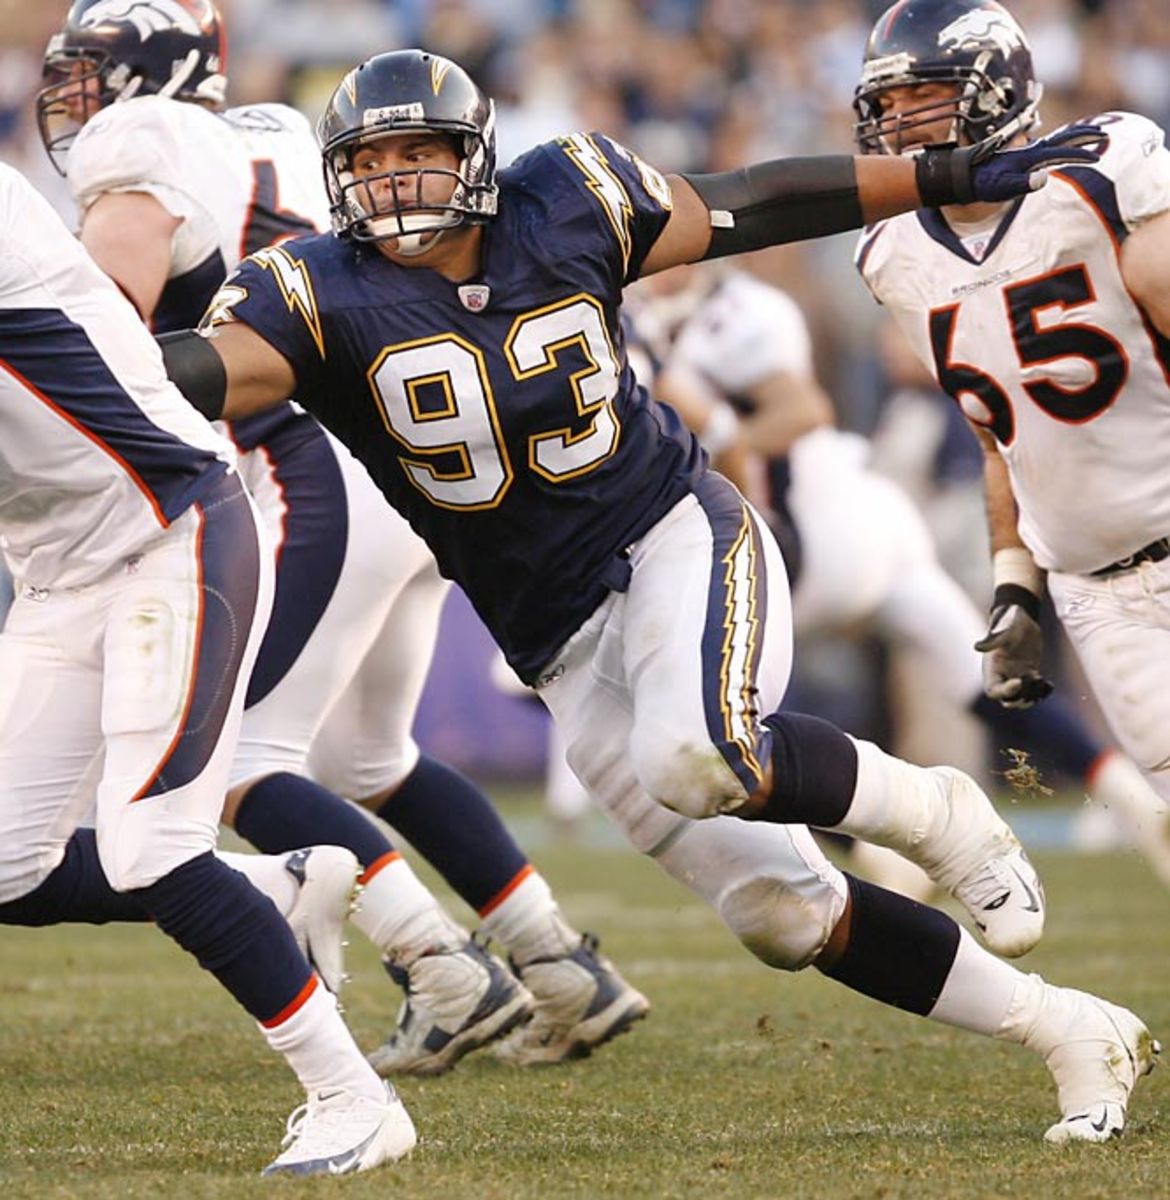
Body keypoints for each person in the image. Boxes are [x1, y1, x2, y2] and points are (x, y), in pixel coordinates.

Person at [160, 47, 1158, 1142]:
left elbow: (750, 204)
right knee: (783, 915)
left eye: (421, 154)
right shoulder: (311, 289)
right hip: (551, 631)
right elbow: (198, 375)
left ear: (477, 157)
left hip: (671, 530)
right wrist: (56, 353)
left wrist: (943, 176)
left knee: (699, 756)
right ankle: (1069, 1028)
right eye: (374, 161)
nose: (398, 181)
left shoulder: (566, 196)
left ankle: (931, 810)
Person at [36, 0, 648, 1074]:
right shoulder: (273, 129)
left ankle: (443, 972)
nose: (76, 97)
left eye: (93, 70)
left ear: (154, 72)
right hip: (405, 460)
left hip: (303, 472)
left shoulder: (145, 146)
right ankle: (556, 964)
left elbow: (109, 338)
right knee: (369, 756)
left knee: (235, 761)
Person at [0, 161, 414, 1176]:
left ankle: (355, 1098)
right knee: (7, 862)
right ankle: (272, 892)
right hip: (60, 574)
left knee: (150, 845)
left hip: (170, 535)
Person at [630, 262, 1170, 893]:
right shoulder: (633, 315)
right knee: (973, 674)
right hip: (832, 529)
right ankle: (1123, 797)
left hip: (812, 529)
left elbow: (803, 410)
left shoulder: (741, 311)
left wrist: (714, 451)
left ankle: (896, 844)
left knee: (721, 727)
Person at [852, 0, 1170, 858]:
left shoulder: (1098, 178)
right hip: (1095, 593)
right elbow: (1002, 436)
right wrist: (1014, 586)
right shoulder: (894, 256)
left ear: (996, 91)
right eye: (885, 104)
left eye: (920, 95)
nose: (896, 121)